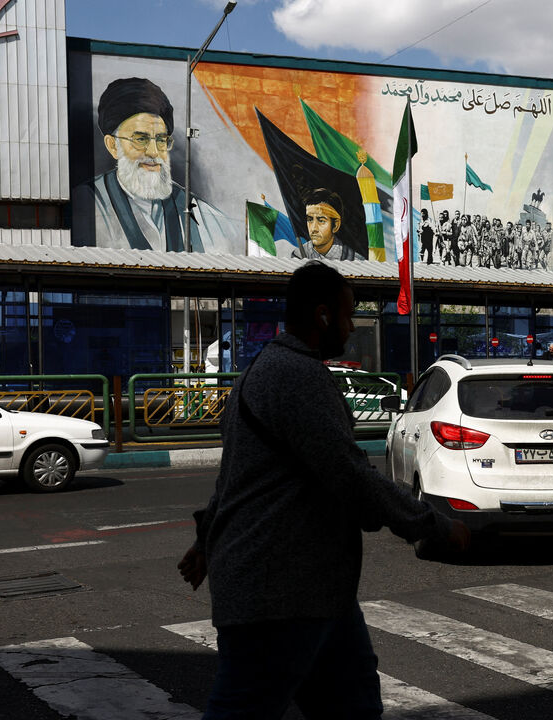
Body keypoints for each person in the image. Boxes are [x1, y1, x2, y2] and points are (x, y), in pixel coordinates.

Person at [178, 261, 470, 719]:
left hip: (314, 588)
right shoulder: (298, 377)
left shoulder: (261, 371)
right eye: (348, 314)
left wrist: (205, 538)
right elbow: (350, 476)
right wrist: (434, 526)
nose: (352, 327)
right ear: (321, 316)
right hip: (279, 589)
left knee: (352, 701)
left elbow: (234, 476)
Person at [72, 77, 238, 254]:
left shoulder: (206, 218)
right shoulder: (85, 205)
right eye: (140, 139)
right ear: (113, 145)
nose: (153, 152)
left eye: (160, 140)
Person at [291, 188, 364, 260]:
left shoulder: (353, 260)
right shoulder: (298, 255)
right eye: (310, 220)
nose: (313, 228)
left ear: (335, 225)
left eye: (321, 221)